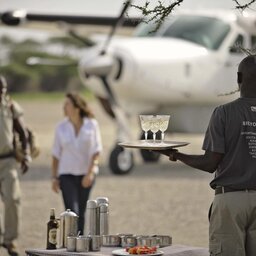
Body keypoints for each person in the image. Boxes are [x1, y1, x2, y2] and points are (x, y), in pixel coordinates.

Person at [153, 55, 256, 256]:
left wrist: (176, 154)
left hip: (230, 201)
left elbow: (210, 163)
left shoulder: (224, 113)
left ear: (238, 78)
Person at [51, 92, 102, 234]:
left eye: (67, 104)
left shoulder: (92, 125)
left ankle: (79, 244)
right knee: (72, 211)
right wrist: (54, 177)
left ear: (77, 107)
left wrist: (90, 173)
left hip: (86, 174)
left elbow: (96, 151)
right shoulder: (61, 127)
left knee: (82, 211)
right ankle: (71, 244)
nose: (64, 107)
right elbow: (55, 154)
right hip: (66, 174)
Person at [0, 75, 31, 256]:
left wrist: (26, 155)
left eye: (3, 89)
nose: (2, 92)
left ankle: (10, 240)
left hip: (8, 161)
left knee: (13, 199)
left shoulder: (10, 106)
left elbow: (23, 132)